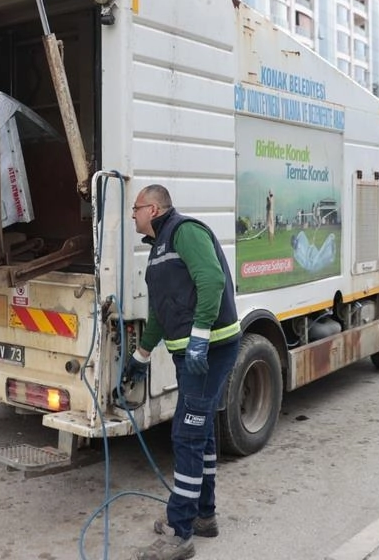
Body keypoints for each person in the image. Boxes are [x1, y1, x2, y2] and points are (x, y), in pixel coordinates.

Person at [124, 184, 241, 560]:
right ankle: (203, 516)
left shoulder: (185, 232)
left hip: (210, 352)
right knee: (200, 430)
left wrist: (200, 336)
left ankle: (180, 532)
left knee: (187, 435)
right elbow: (160, 312)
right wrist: (140, 357)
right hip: (190, 355)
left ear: (154, 209)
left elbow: (212, 280)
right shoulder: (158, 251)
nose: (133, 215)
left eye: (136, 208)